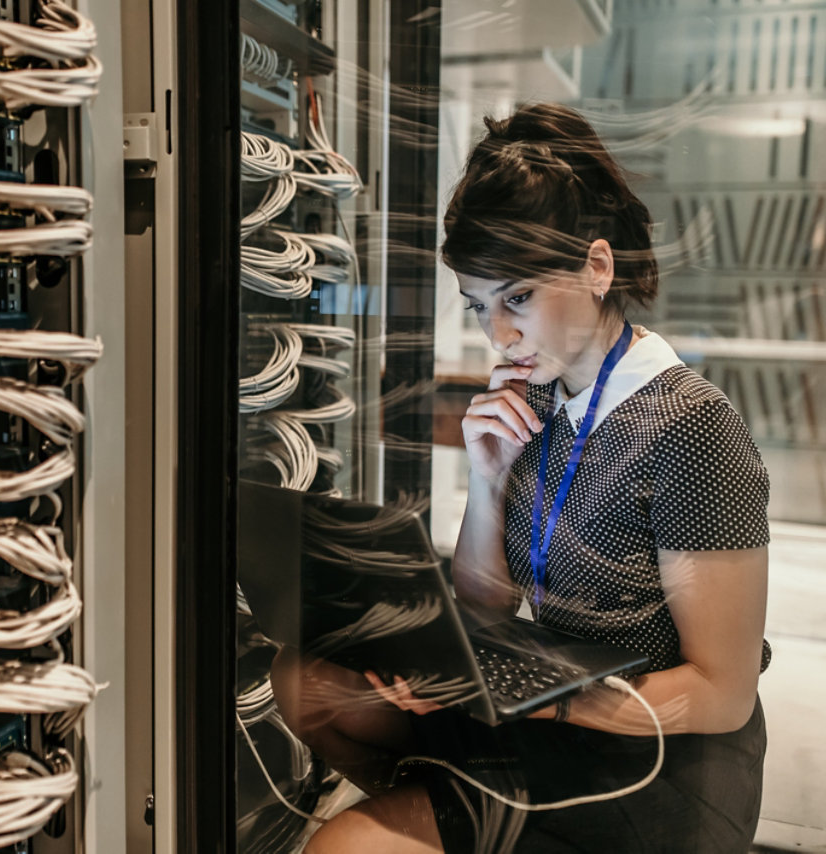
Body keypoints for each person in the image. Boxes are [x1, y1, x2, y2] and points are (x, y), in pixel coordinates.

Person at [271, 103, 770, 853]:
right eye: (480, 306)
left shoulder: (690, 427)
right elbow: (486, 603)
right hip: (549, 699)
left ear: (598, 267)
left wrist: (543, 706)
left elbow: (721, 694)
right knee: (305, 681)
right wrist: (489, 476)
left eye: (519, 298)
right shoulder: (539, 395)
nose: (498, 335)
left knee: (344, 847)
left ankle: (445, 820)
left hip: (663, 759)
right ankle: (453, 813)